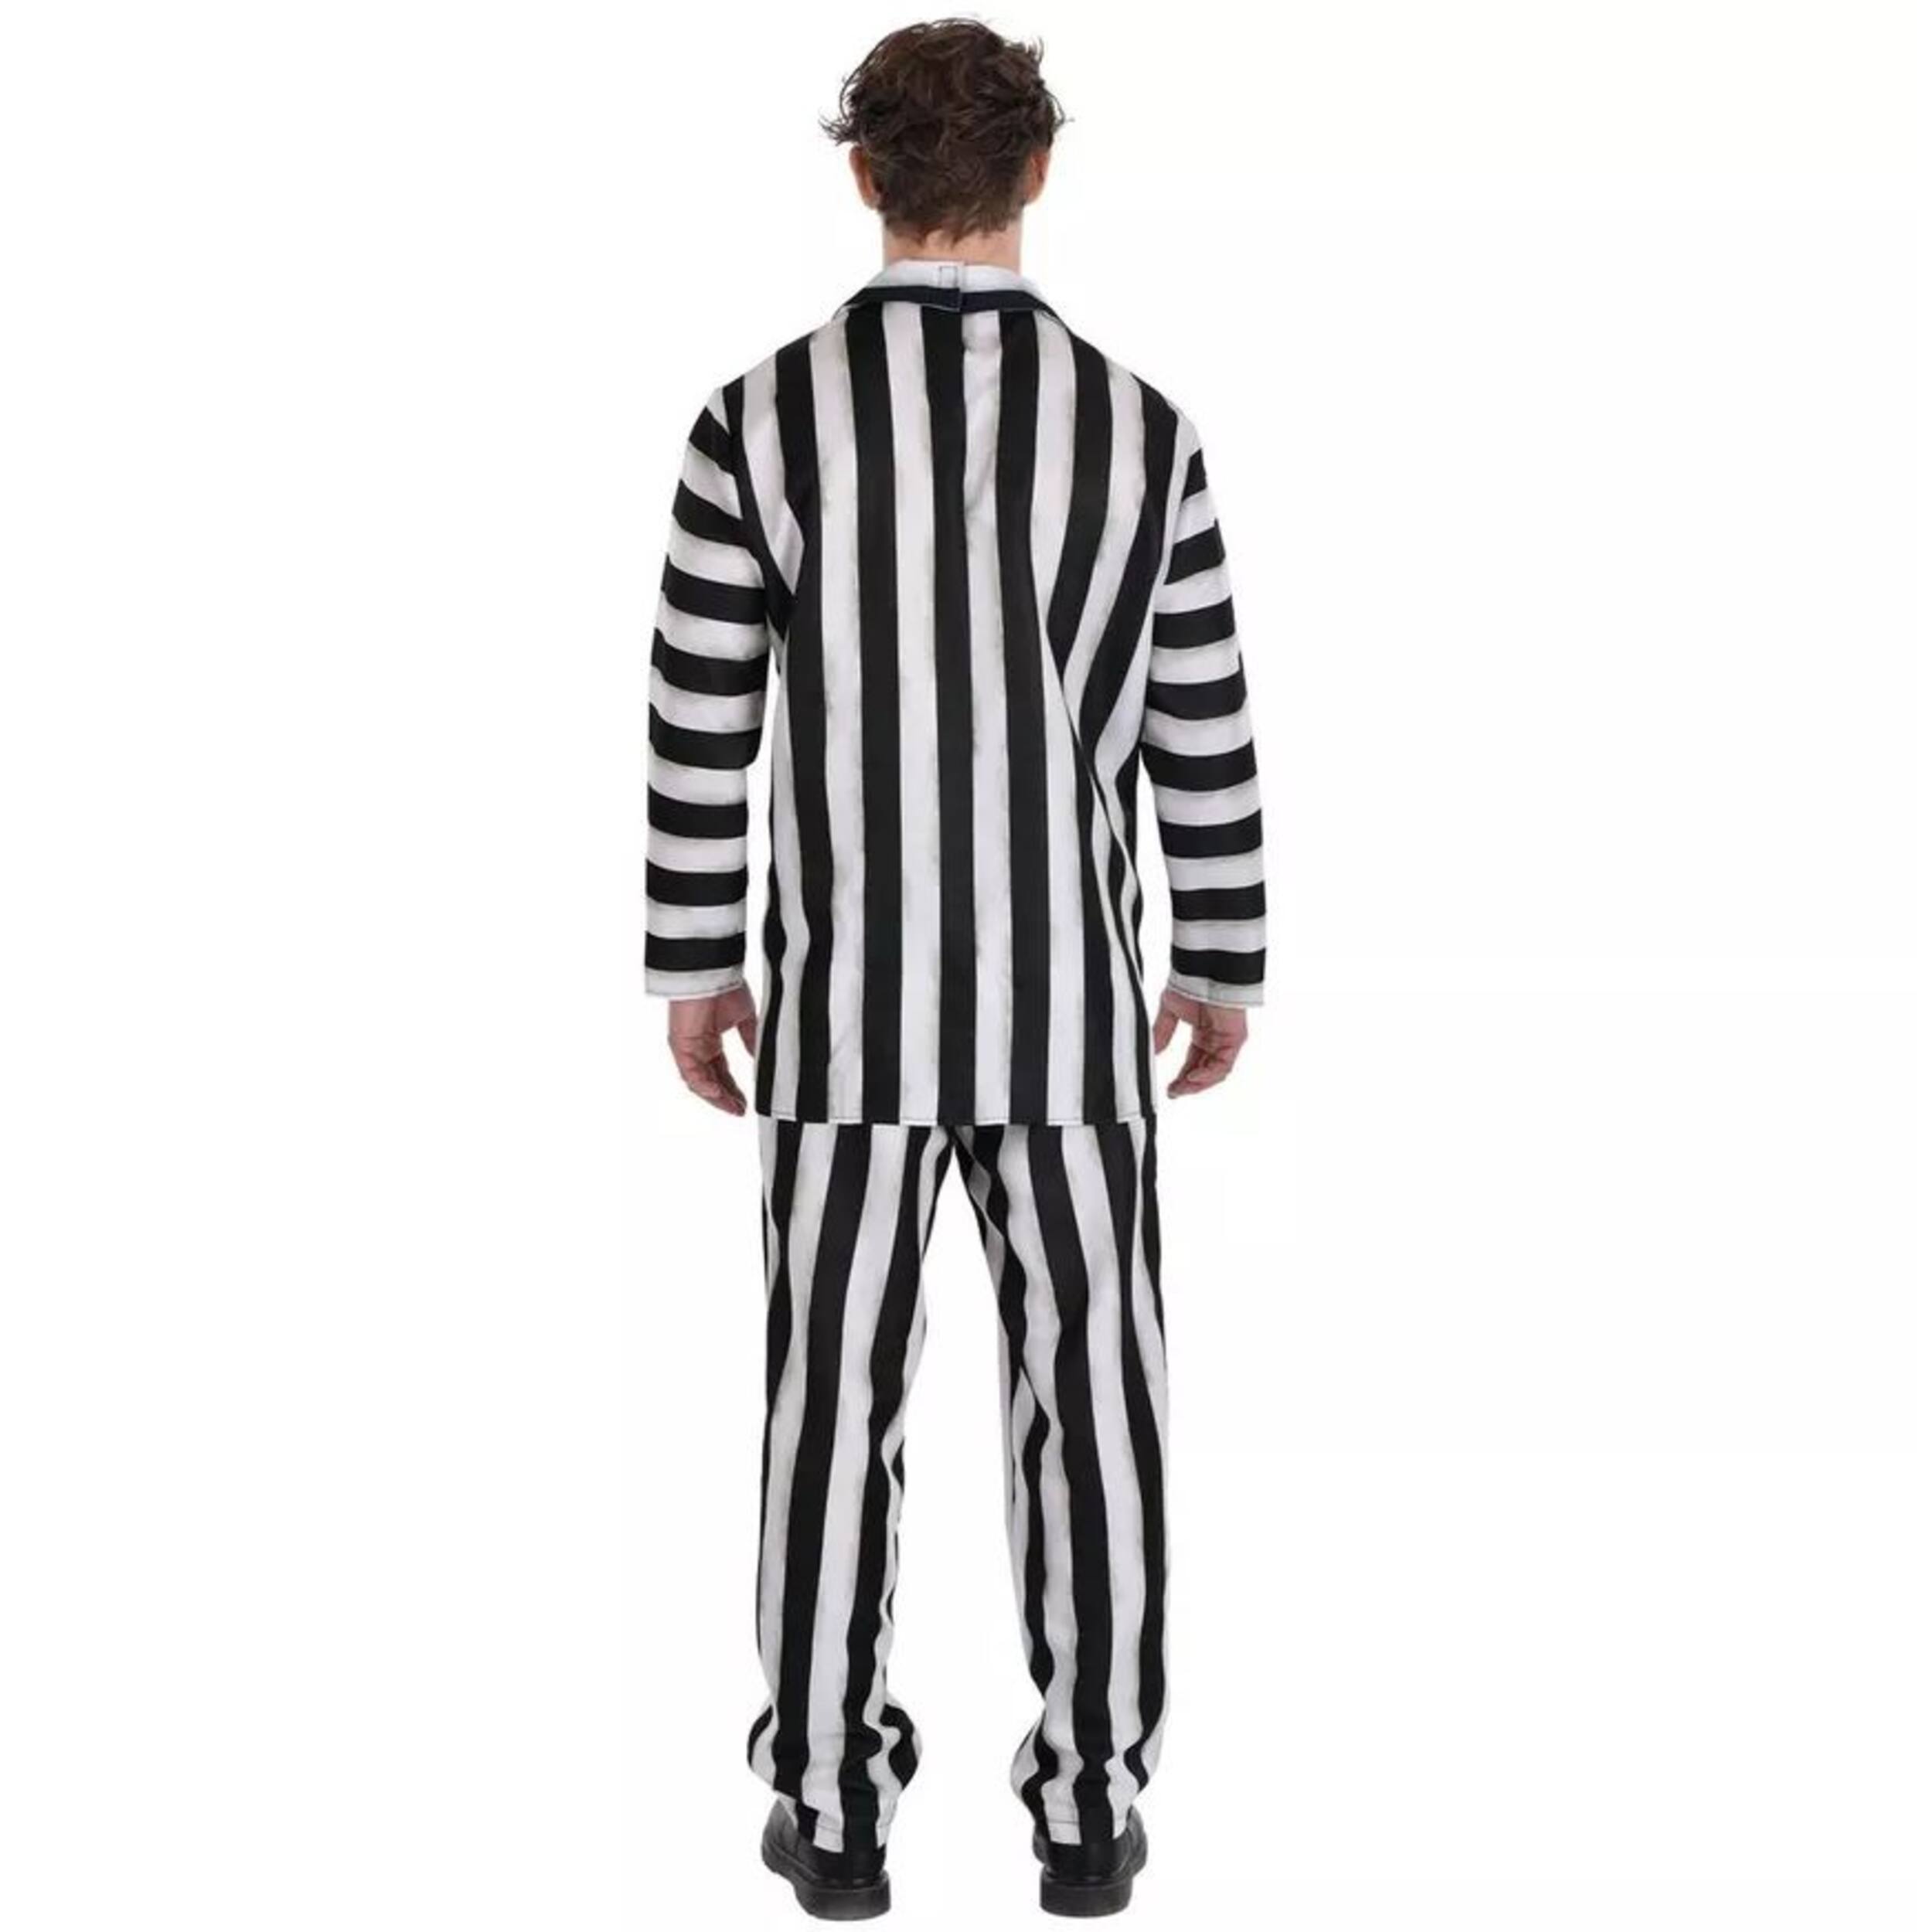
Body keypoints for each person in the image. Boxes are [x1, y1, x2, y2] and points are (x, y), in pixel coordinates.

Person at [643, 20, 1265, 1918]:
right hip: (1072, 1016)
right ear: (1037, 173)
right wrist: (1219, 957)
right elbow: (1201, 728)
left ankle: (829, 1801)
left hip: (841, 1015)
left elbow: (699, 727)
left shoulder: (756, 423)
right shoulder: (1140, 433)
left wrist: (696, 965)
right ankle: (1088, 1803)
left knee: (828, 1408)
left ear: (861, 176)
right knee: (1099, 1411)